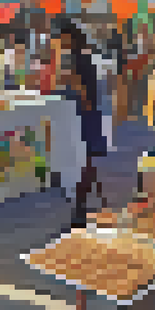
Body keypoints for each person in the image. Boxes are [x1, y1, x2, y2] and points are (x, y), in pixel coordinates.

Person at [57, 21, 108, 227]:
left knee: (83, 161)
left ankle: (81, 207)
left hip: (83, 115)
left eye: (61, 37)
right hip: (89, 114)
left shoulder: (74, 59)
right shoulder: (84, 57)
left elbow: (81, 90)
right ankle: (88, 203)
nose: (59, 41)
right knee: (87, 161)